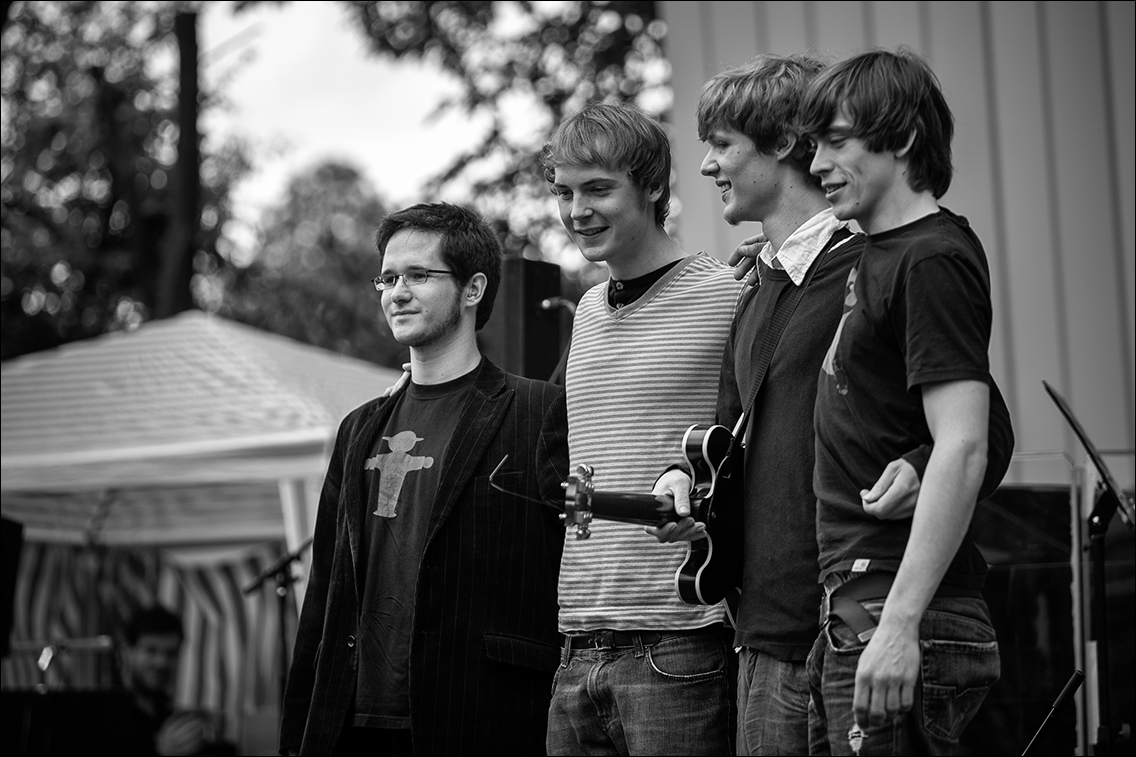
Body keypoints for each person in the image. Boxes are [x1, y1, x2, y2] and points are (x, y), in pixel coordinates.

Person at [649, 54, 1015, 756]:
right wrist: (686, 482)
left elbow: (977, 430)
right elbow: (734, 443)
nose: (703, 166)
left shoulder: (890, 256)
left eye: (721, 143)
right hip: (777, 626)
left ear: (781, 144)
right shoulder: (756, 286)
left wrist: (918, 460)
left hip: (864, 614)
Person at [279, 202, 570, 756]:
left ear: (472, 289)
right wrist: (297, 735)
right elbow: (324, 591)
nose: (396, 292)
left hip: (480, 716)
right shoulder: (358, 428)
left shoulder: (538, 412)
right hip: (352, 721)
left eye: (418, 275)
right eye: (388, 278)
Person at [800, 48, 1001, 755]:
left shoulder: (932, 257)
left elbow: (966, 442)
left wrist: (898, 623)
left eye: (836, 140)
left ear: (904, 138)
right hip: (860, 608)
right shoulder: (880, 254)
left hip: (899, 610)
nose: (816, 161)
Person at [538, 101, 742, 756]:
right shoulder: (589, 310)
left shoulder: (728, 294)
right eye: (564, 192)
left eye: (598, 189)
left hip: (679, 640)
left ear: (653, 186)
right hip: (575, 641)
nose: (577, 211)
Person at [118, 605, 231, 756]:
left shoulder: (164, 712)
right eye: (151, 650)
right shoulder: (108, 713)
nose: (161, 662)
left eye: (170, 653)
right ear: (127, 650)